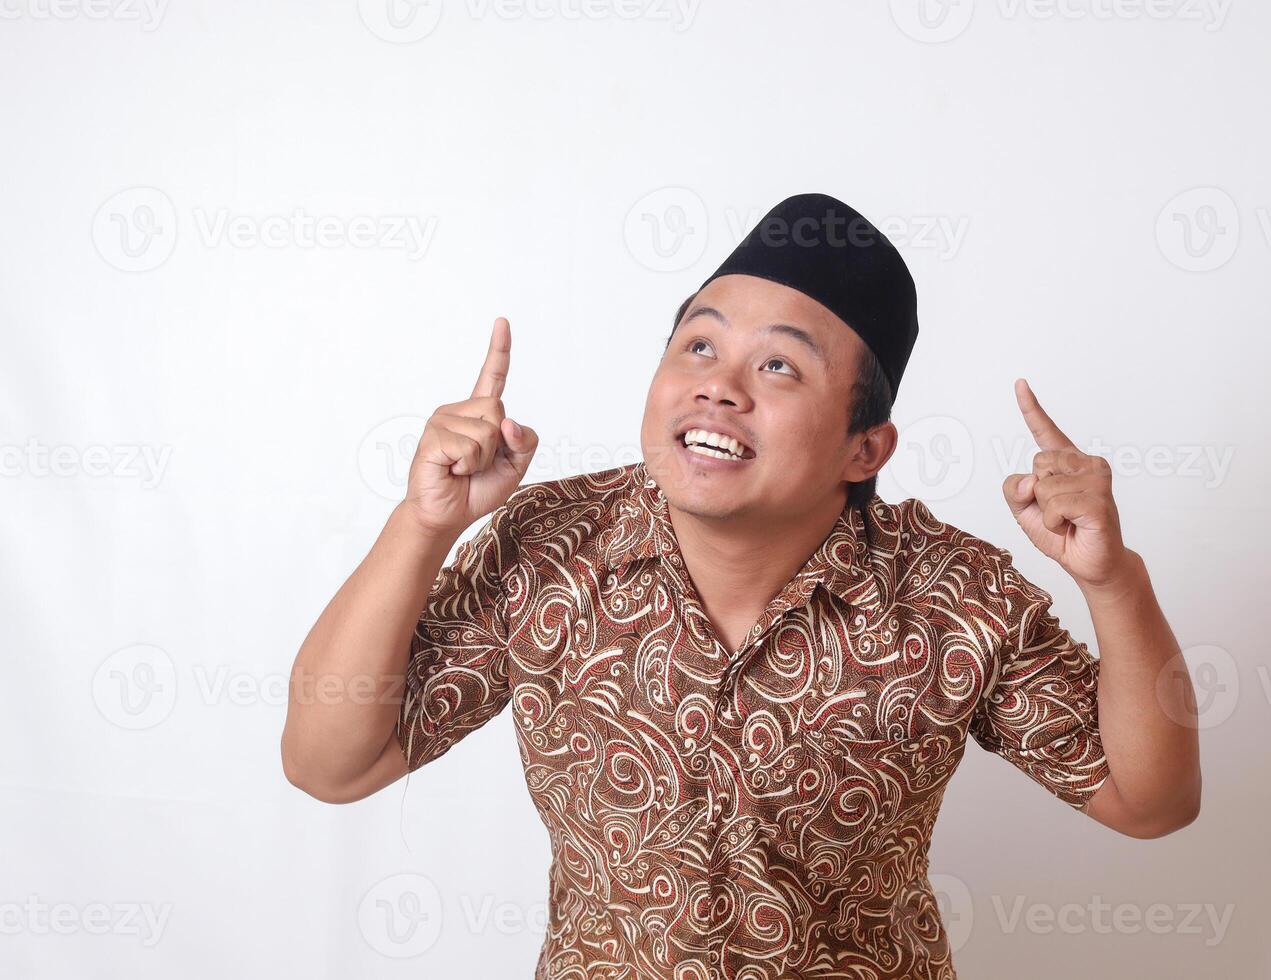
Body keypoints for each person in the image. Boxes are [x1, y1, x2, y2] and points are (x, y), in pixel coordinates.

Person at [281, 193, 1201, 979]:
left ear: (863, 447)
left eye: (778, 366)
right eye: (697, 347)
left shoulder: (950, 596)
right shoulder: (551, 548)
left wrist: (1114, 582)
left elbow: (1150, 801)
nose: (719, 388)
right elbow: (333, 762)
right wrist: (426, 523)